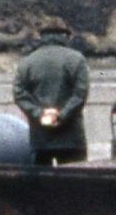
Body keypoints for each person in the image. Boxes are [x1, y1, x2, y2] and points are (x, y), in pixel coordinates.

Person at [13, 19, 90, 165]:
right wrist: (61, 116)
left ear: (41, 37)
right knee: (74, 183)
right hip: (71, 138)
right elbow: (80, 94)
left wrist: (40, 114)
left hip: (41, 138)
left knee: (41, 185)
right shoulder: (76, 59)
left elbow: (19, 94)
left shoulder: (27, 62)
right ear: (65, 36)